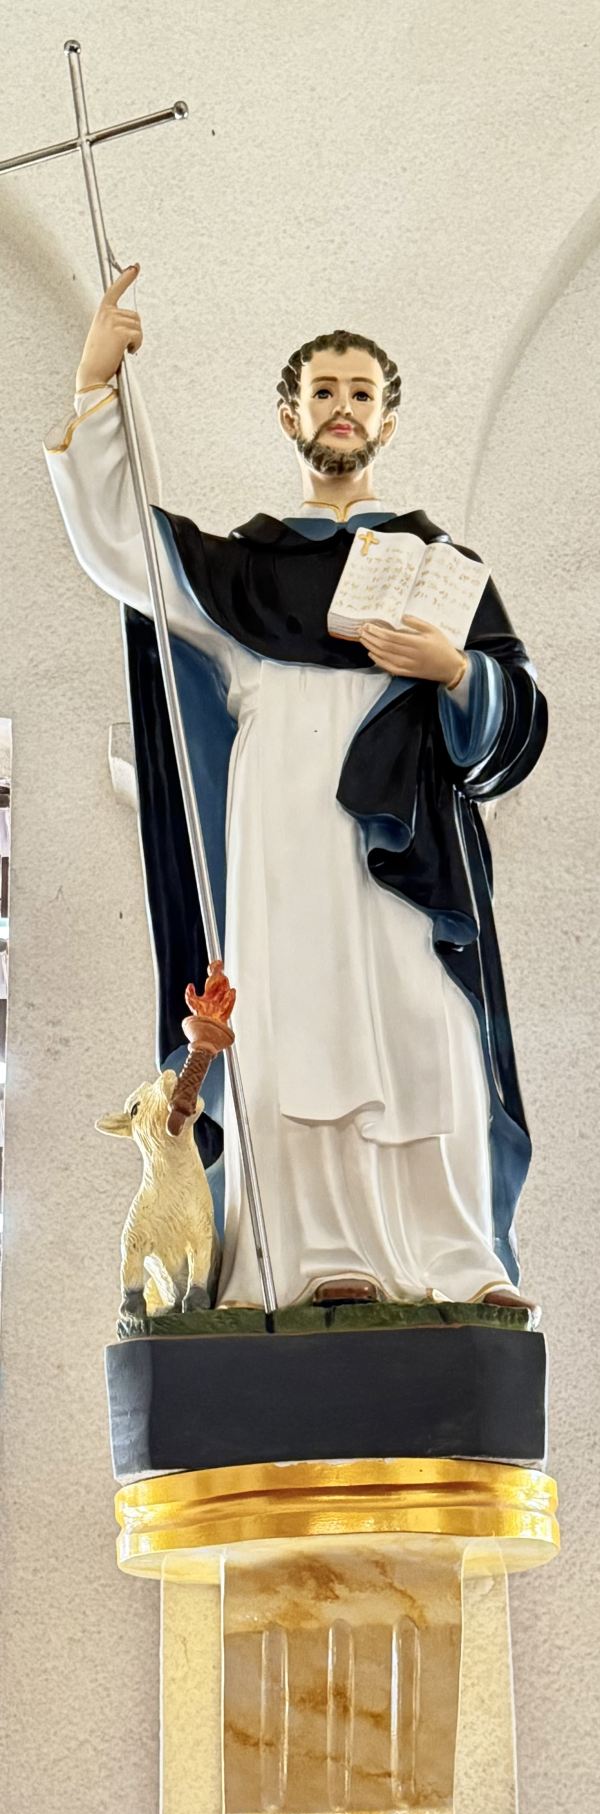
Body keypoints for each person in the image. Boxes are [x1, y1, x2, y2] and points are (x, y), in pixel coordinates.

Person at [43, 264, 547, 1314]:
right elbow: (126, 545)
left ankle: (456, 1255)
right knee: (296, 1015)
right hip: (280, 822)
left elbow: (515, 713)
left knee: (425, 1021)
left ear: (388, 422)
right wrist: (96, 380)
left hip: (404, 833)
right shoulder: (246, 571)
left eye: (362, 392)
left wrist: (452, 670)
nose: (343, 407)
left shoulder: (438, 565)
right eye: (324, 391)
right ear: (291, 416)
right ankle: (308, 1253)